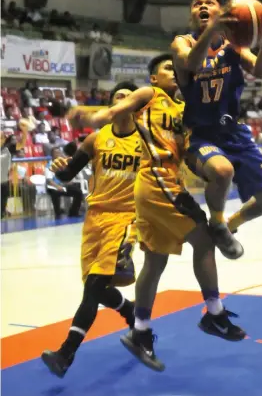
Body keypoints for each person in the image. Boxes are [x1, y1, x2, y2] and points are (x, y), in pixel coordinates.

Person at [69, 54, 246, 372]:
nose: (174, 74)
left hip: (156, 187)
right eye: (167, 69)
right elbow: (115, 111)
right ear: (153, 78)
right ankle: (215, 315)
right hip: (157, 181)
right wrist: (88, 117)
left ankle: (140, 331)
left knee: (155, 261)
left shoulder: (185, 109)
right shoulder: (150, 96)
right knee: (204, 240)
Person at [41, 82, 140, 378]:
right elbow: (68, 173)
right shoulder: (97, 138)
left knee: (93, 288)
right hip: (94, 219)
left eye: (127, 97)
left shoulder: (147, 139)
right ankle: (129, 311)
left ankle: (66, 352)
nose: (121, 101)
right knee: (96, 288)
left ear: (135, 104)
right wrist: (59, 168)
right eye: (116, 97)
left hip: (125, 219)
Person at [171, 0, 262, 242]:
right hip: (200, 135)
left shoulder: (233, 46)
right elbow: (191, 63)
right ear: (191, 15)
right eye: (196, 3)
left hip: (234, 131)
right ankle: (218, 222)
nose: (202, 6)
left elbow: (261, 70)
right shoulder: (182, 42)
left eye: (209, 3)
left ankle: (231, 224)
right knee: (222, 172)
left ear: (220, 10)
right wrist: (212, 29)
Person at [45, 147, 83, 219]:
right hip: (53, 187)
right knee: (55, 193)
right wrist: (57, 187)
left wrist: (68, 181)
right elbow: (49, 181)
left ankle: (73, 212)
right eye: (56, 153)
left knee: (78, 192)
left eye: (59, 152)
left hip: (63, 185)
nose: (58, 154)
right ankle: (58, 213)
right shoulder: (49, 165)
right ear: (52, 155)